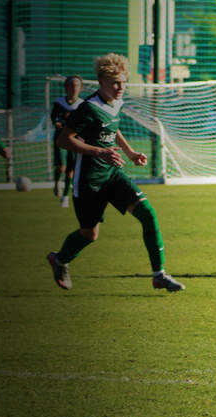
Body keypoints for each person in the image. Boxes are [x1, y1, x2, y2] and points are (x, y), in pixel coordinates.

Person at [46, 53, 184, 292]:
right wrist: (99, 152)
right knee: (89, 234)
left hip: (112, 175)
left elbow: (113, 128)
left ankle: (159, 274)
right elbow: (63, 140)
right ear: (102, 82)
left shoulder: (116, 103)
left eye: (123, 82)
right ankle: (60, 259)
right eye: (115, 83)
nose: (120, 88)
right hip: (89, 180)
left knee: (148, 214)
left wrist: (130, 152)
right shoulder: (88, 108)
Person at [50, 75, 84, 207]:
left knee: (71, 169)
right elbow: (54, 118)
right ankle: (56, 182)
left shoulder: (82, 105)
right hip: (61, 138)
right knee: (61, 167)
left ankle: (65, 196)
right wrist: (57, 123)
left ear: (80, 88)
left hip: (75, 140)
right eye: (71, 85)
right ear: (66, 88)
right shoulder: (59, 103)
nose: (73, 88)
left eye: (76, 86)